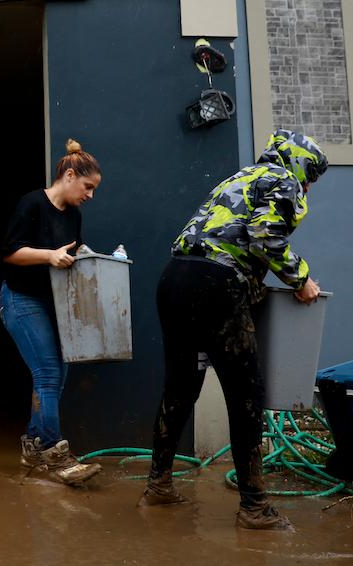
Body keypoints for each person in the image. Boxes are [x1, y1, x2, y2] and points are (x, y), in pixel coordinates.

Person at [141, 129, 328, 530]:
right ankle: (254, 506)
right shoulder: (284, 180)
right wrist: (301, 279)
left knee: (180, 387)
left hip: (174, 278)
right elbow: (264, 236)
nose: (309, 184)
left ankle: (157, 484)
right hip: (217, 285)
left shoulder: (237, 178)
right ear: (297, 162)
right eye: (311, 174)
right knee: (246, 393)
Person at [0, 138, 104, 486]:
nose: (90, 195)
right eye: (87, 187)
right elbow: (11, 253)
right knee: (46, 373)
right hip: (20, 299)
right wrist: (49, 256)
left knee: (57, 377)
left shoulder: (74, 216)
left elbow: (71, 254)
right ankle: (55, 457)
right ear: (70, 175)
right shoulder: (32, 203)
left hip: (53, 302)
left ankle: (33, 447)